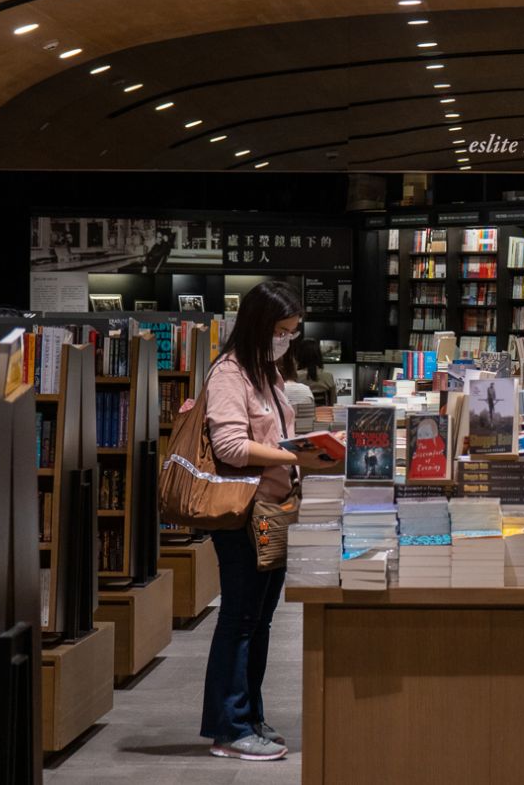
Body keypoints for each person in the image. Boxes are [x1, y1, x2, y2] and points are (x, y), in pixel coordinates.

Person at [201, 279, 339, 762]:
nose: (287, 339)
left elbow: (276, 433)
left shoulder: (267, 373)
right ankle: (229, 728)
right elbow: (231, 447)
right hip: (243, 513)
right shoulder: (229, 374)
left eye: (293, 332)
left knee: (258, 620)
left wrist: (305, 450)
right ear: (260, 325)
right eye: (281, 330)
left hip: (273, 510)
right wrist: (291, 453)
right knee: (239, 619)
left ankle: (249, 716)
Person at [294, 337, 337, 407]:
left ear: (299, 356)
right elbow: (333, 402)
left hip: (303, 415)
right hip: (324, 415)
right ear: (319, 355)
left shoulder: (295, 377)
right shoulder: (328, 376)